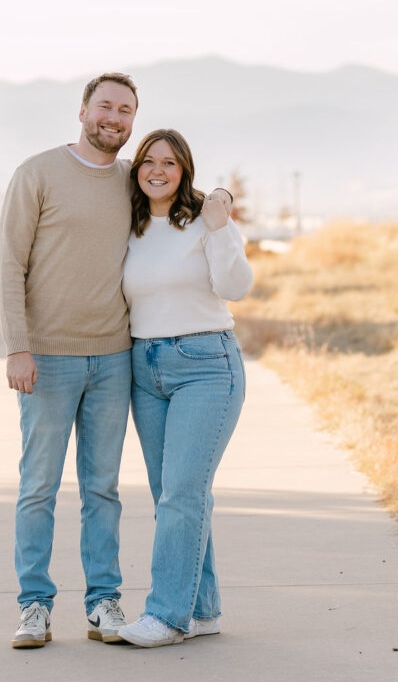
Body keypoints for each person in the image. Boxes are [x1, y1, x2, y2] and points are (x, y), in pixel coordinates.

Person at [0, 72, 139, 649]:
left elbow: (188, 206)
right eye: (105, 105)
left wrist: (222, 198)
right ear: (82, 110)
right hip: (48, 359)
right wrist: (17, 346)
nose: (115, 117)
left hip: (114, 358)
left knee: (103, 489)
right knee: (39, 488)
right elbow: (9, 264)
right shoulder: (37, 173)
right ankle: (34, 606)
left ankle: (104, 602)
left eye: (126, 110)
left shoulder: (134, 180)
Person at [118, 128, 254, 648]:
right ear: (137, 170)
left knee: (182, 493)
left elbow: (235, 287)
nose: (157, 170)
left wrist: (219, 227)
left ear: (185, 171)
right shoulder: (128, 225)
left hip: (205, 364)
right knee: (172, 494)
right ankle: (203, 610)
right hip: (144, 366)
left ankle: (167, 616)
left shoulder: (206, 221)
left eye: (169, 163)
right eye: (148, 161)